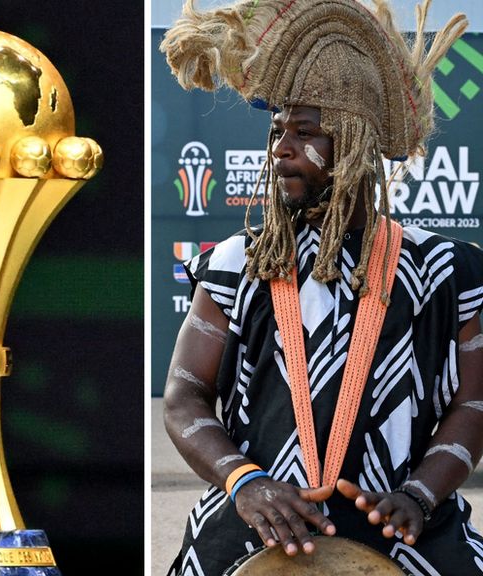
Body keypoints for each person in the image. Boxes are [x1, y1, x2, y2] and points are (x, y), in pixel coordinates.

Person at [160, 0, 483, 573]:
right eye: (277, 130)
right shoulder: (239, 262)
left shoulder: (444, 268)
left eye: (304, 132)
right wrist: (246, 482)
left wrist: (420, 494)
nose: (280, 147)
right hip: (253, 521)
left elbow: (474, 402)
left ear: (355, 142)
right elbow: (184, 398)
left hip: (404, 527)